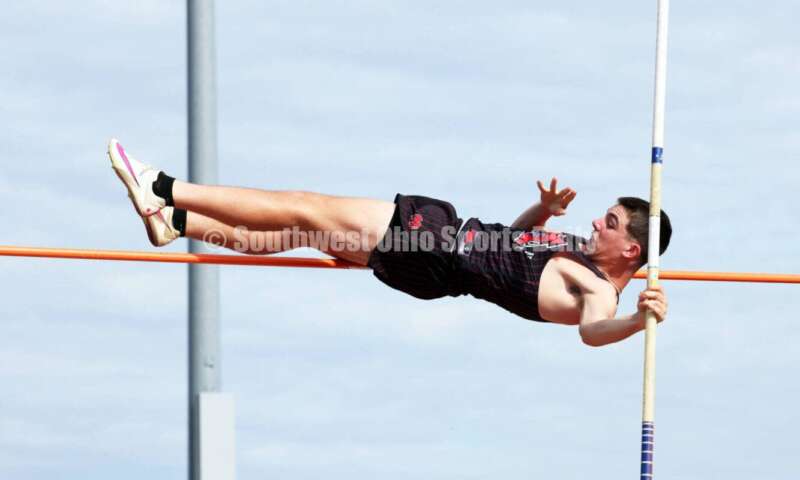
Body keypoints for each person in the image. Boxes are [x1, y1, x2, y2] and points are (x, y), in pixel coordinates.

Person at [108, 138, 671, 347]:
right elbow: (515, 242)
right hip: (436, 263)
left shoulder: (599, 291)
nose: (599, 225)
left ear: (631, 253)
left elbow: (594, 332)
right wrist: (542, 213)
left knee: (303, 205)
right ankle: (175, 224)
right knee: (297, 232)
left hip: (435, 245)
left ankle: (163, 186)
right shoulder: (577, 252)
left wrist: (637, 319)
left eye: (611, 224)